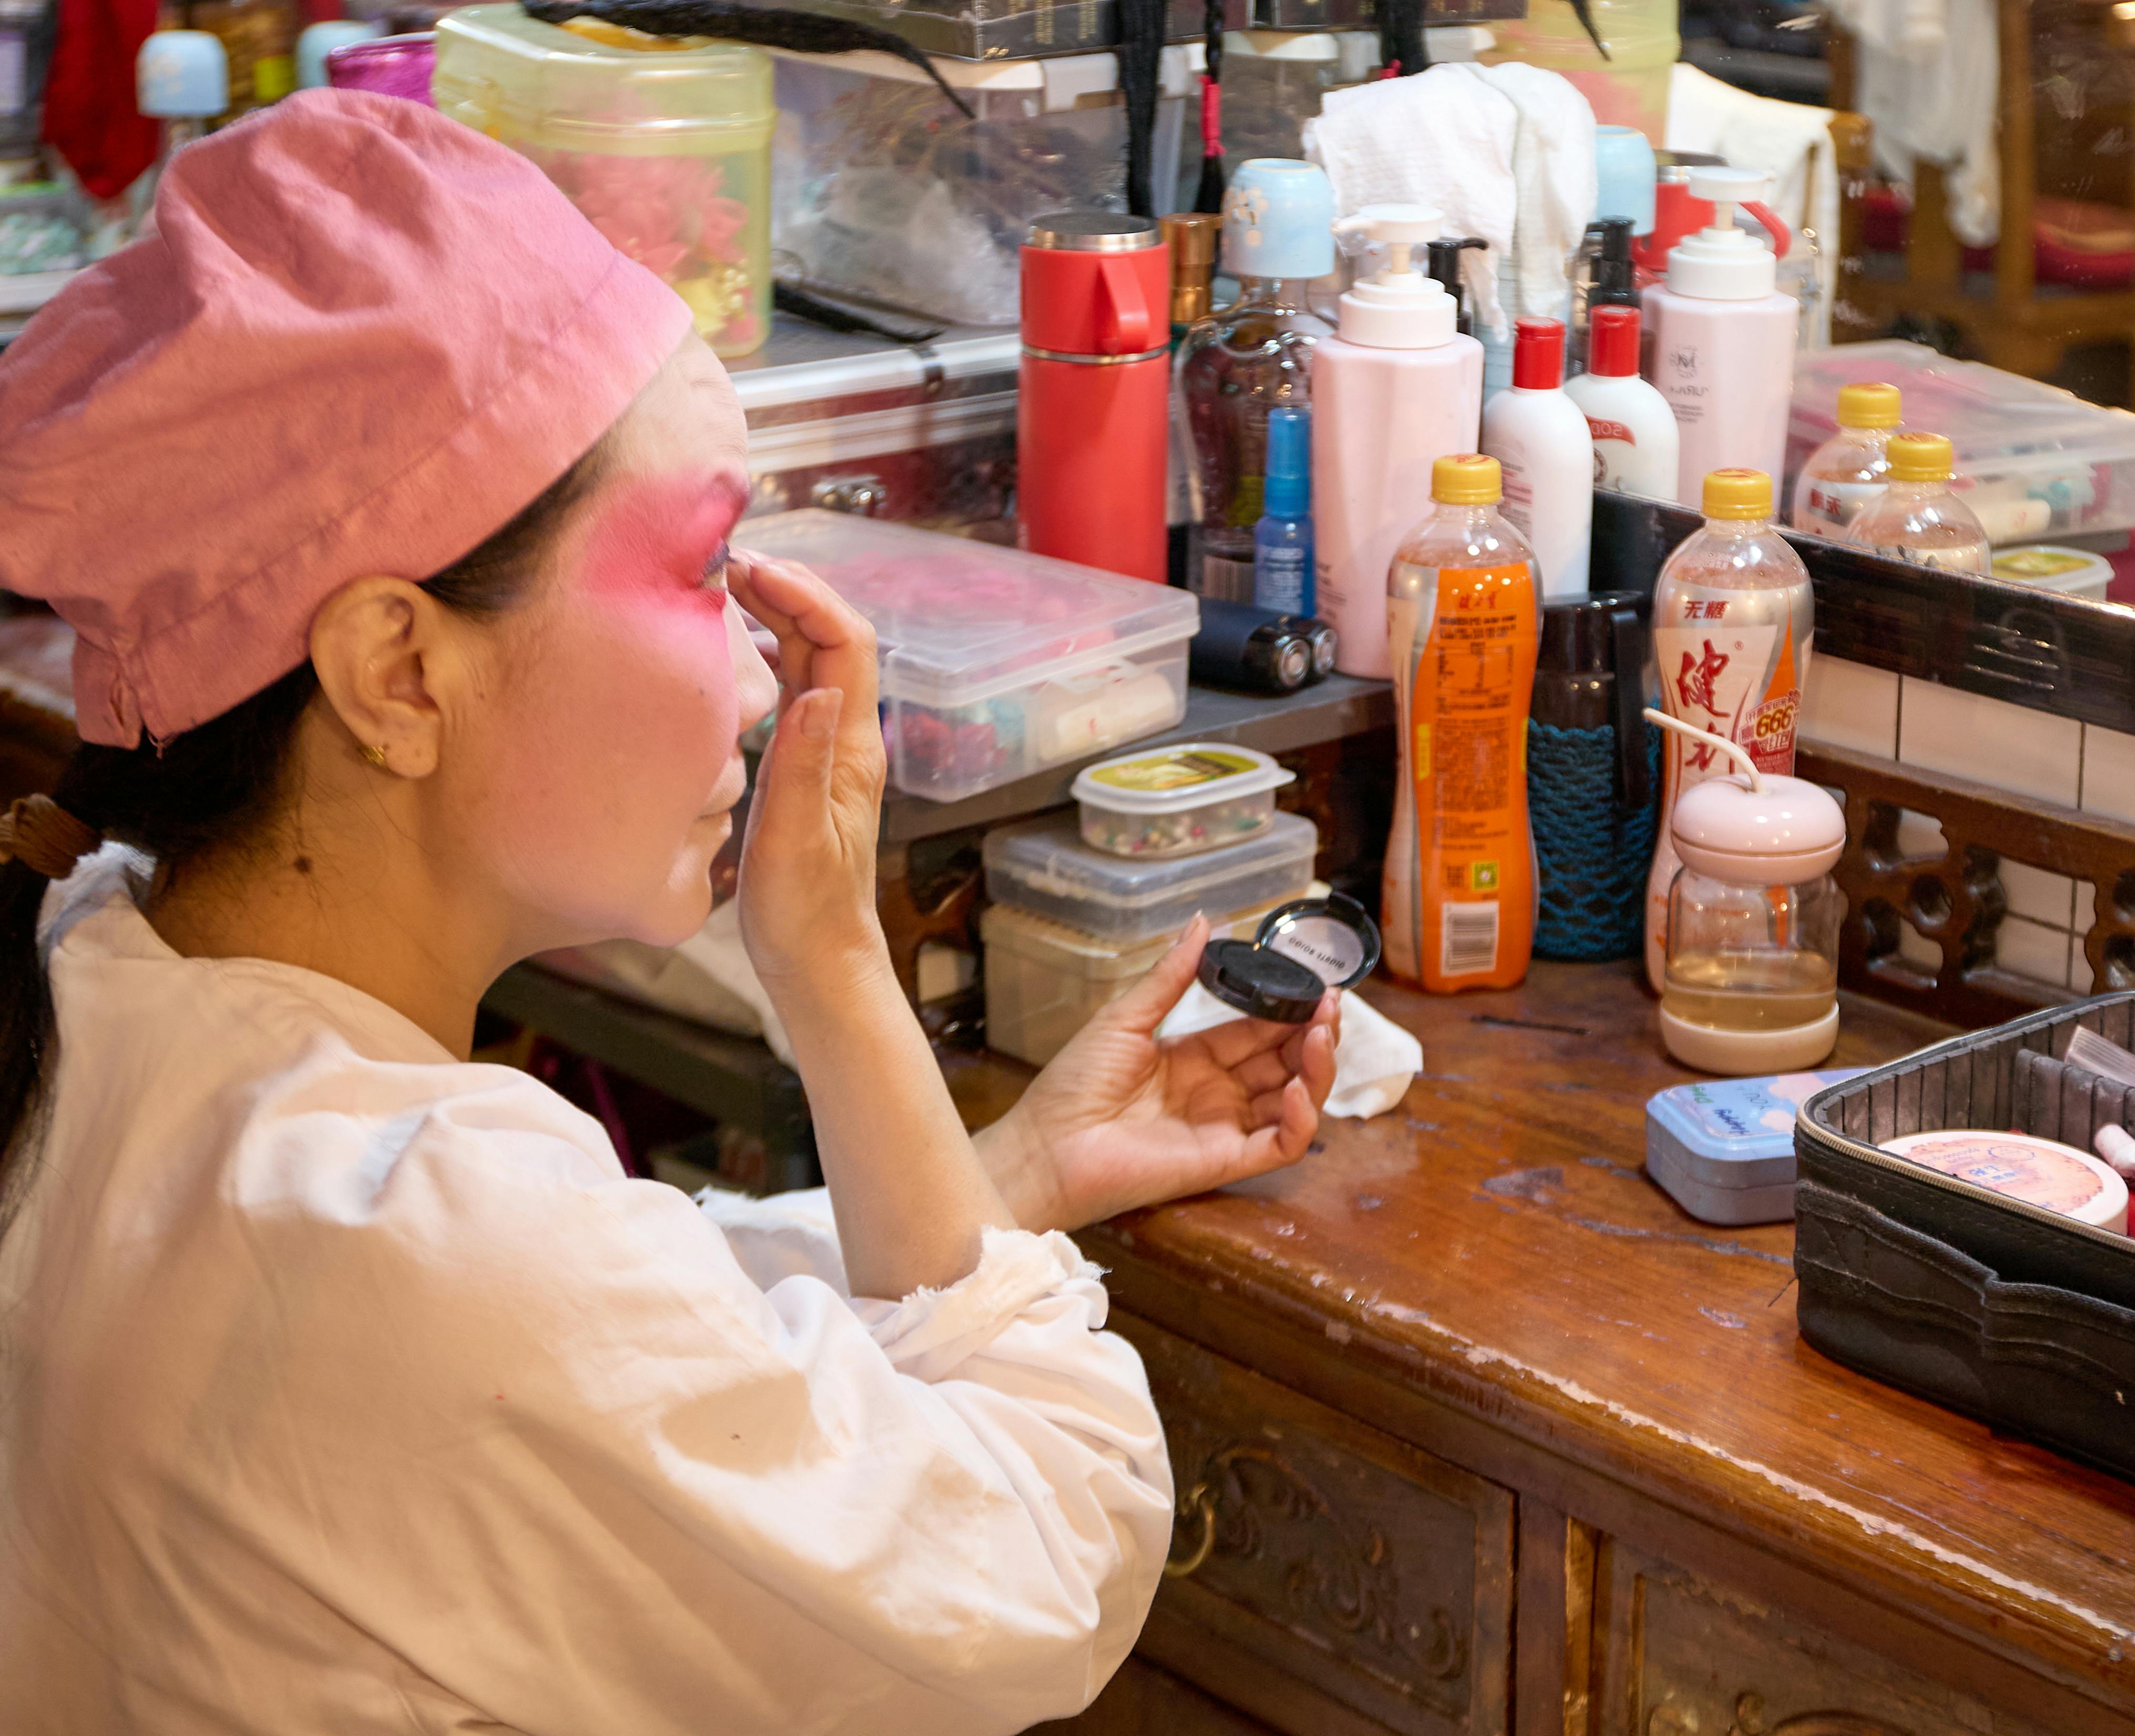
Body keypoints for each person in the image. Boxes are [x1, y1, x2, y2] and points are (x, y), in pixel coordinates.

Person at [0, 91, 1340, 1730]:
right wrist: (839, 962)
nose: (765, 672)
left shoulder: (107, 965)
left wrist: (1013, 1174)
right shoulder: (421, 1250)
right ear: (397, 675)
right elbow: (1047, 1543)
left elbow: (648, 1326)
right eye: (708, 570)